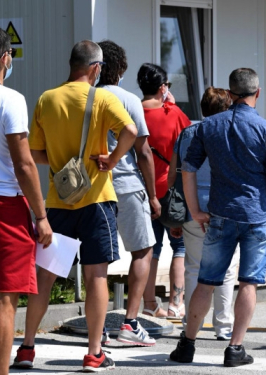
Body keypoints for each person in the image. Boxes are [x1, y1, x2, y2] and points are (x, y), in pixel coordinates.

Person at [13, 40, 137, 371]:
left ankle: (26, 348)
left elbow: (35, 153)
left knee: (47, 275)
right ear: (95, 69)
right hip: (96, 200)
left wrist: (60, 163)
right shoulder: (103, 98)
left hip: (57, 201)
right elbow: (131, 131)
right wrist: (111, 160)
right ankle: (94, 353)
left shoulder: (47, 99)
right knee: (96, 275)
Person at [169, 68, 266, 367]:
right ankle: (235, 349)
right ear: (257, 93)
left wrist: (194, 208)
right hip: (257, 216)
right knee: (248, 283)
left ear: (230, 93)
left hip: (220, 213)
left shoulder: (208, 126)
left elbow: (188, 167)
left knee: (206, 281)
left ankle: (187, 345)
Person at [0, 26, 52, 375]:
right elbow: (23, 163)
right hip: (4, 207)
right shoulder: (10, 99)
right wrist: (41, 215)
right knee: (5, 299)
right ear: (6, 58)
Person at [96, 40, 158, 347]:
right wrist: (154, 194)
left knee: (98, 258)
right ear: (120, 68)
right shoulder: (129, 99)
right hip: (128, 184)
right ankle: (130, 324)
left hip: (94, 187)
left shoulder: (85, 97)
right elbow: (143, 152)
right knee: (142, 250)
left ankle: (99, 329)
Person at [168, 87, 238, 341]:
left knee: (193, 266)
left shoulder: (187, 133)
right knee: (227, 267)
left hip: (191, 205)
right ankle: (224, 326)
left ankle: (191, 323)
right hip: (224, 206)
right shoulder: (230, 132)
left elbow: (174, 175)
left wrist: (176, 211)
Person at [138, 63, 191, 319]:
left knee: (151, 249)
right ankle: (176, 304)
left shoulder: (132, 111)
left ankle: (149, 304)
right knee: (179, 248)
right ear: (162, 88)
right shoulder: (173, 113)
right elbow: (190, 138)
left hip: (142, 192)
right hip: (171, 193)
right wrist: (170, 103)